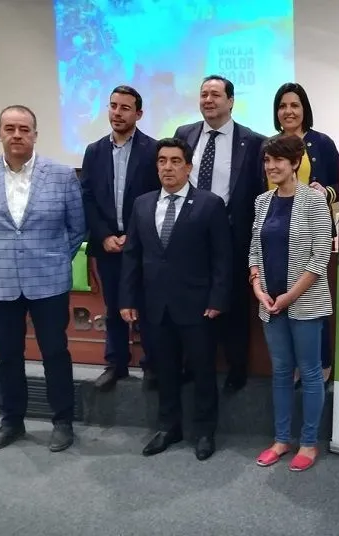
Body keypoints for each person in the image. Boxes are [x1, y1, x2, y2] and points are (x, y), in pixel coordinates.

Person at [0, 105, 85, 453]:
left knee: (55, 353)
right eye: (10, 128)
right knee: (8, 356)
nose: (17, 135)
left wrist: (57, 257)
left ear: (35, 134)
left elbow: (77, 228)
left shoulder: (61, 175)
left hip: (48, 280)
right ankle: (11, 422)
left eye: (24, 129)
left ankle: (62, 421)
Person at [119, 137, 232, 460]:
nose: (168, 168)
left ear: (189, 166)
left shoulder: (210, 204)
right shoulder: (142, 204)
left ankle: (204, 431)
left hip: (198, 307)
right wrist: (127, 299)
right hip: (156, 306)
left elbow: (222, 258)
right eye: (162, 161)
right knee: (164, 371)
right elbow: (132, 256)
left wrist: (218, 299)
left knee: (202, 371)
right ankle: (169, 427)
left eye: (175, 161)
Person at [173, 74, 266, 393]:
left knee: (234, 304)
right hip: (190, 234)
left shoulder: (253, 141)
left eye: (215, 95)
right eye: (203, 95)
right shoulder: (184, 133)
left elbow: (258, 191)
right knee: (191, 300)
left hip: (232, 232)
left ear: (231, 101)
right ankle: (193, 364)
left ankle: (236, 368)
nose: (208, 100)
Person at [250, 134, 334, 472]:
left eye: (278, 160)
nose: (271, 166)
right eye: (267, 161)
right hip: (269, 302)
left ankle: (309, 443)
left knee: (311, 372)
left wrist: (289, 296)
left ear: (295, 162)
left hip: (304, 302)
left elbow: (320, 256)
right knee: (281, 372)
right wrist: (257, 287)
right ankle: (282, 439)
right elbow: (254, 249)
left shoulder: (314, 201)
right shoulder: (262, 201)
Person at [80, 85, 160, 391]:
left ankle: (152, 364)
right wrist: (104, 236)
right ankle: (116, 363)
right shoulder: (94, 151)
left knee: (148, 307)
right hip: (107, 245)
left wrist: (134, 236)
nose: (117, 112)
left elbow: (157, 198)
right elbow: (86, 197)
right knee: (113, 307)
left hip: (142, 246)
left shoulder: (153, 151)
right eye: (113, 106)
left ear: (138, 114)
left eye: (125, 107)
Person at [270, 82, 339, 385]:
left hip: (312, 232)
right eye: (283, 105)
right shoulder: (269, 145)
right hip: (275, 235)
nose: (288, 111)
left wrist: (326, 192)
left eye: (295, 105)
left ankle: (320, 363)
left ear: (304, 110)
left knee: (310, 298)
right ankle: (292, 365)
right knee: (281, 299)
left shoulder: (321, 143)